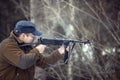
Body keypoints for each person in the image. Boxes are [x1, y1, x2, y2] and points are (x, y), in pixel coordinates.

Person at [0, 20, 68, 80]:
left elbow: (45, 62)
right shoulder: (7, 45)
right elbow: (23, 63)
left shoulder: (26, 46)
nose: (34, 37)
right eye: (32, 36)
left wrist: (60, 51)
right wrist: (37, 50)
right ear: (23, 35)